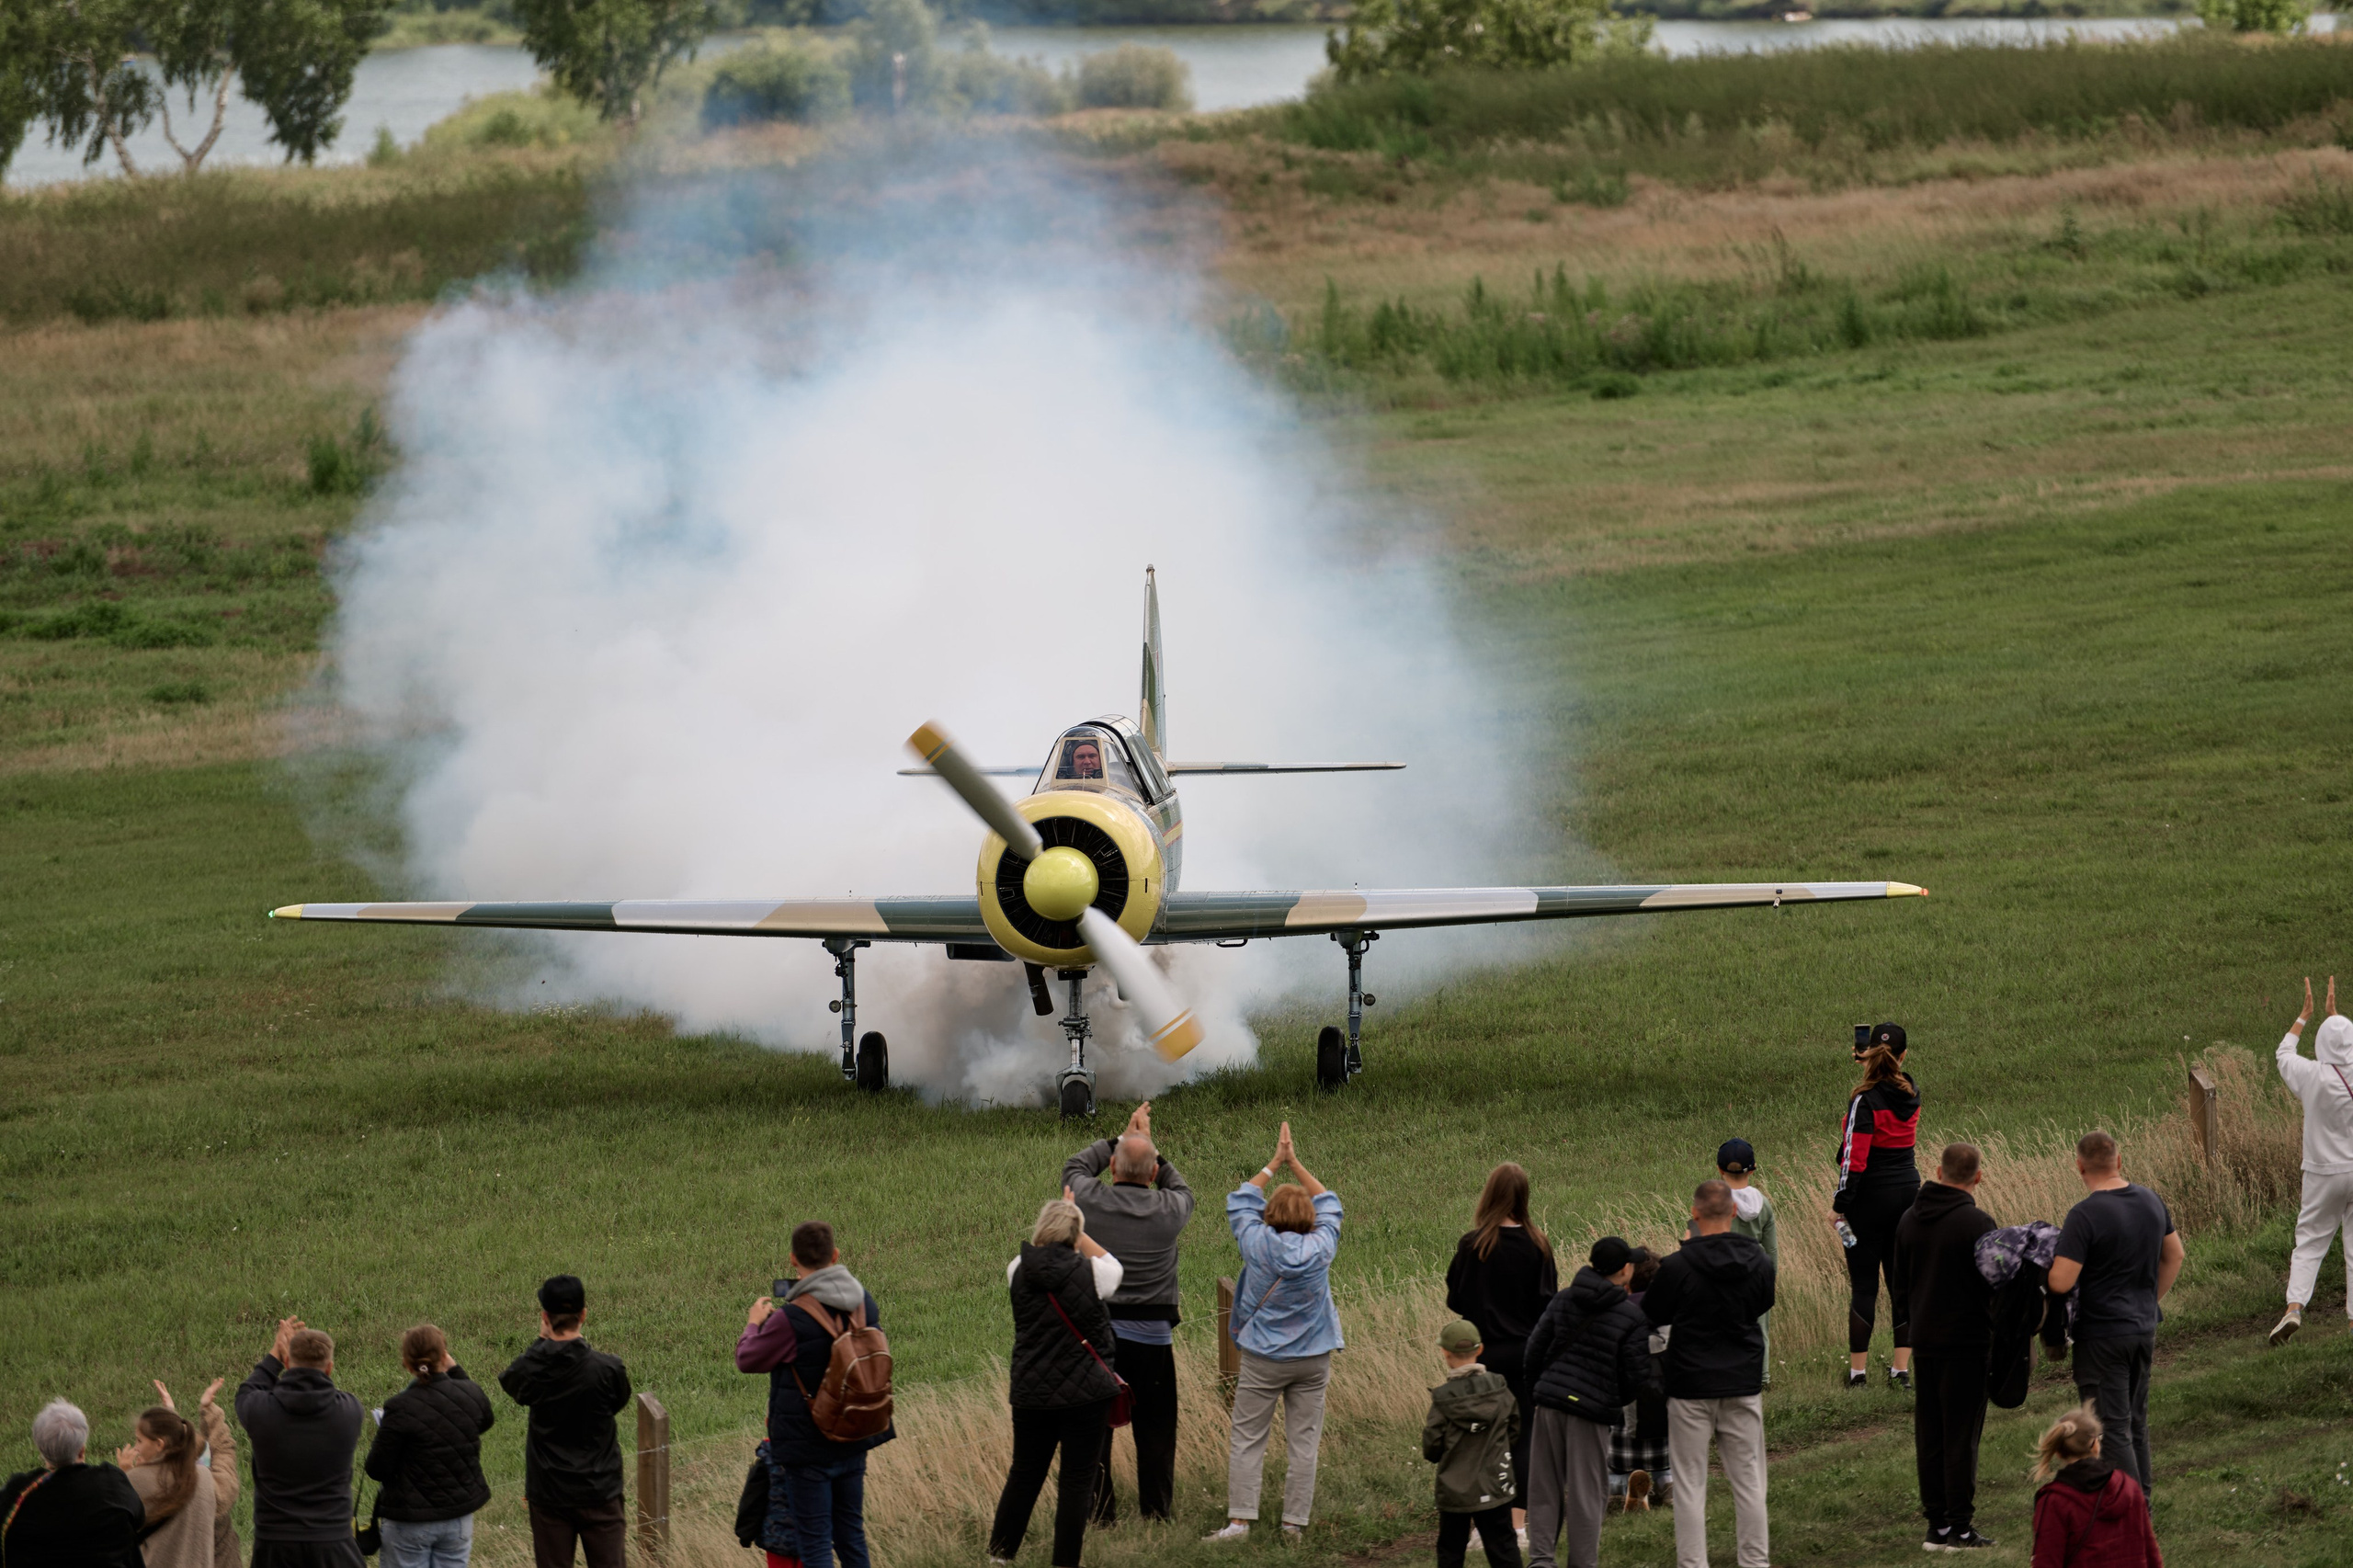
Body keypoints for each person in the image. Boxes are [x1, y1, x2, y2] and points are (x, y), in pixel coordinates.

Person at [1208, 1121, 1343, 1542]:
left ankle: (1240, 1523)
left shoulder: (1256, 1243)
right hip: (1313, 1356)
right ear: (1311, 1219)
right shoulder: (1322, 1246)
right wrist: (1296, 1162)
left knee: (1248, 1438)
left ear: (1268, 1217)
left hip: (1264, 1358)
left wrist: (1275, 1162)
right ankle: (1292, 1526)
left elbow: (1239, 1200)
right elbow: (1330, 1202)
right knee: (1305, 1444)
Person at [1063, 1100, 1195, 1526]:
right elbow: (1181, 1188)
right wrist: (1149, 1146)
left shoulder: (1092, 1202)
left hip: (1098, 1340)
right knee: (1156, 1429)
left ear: (1113, 1170)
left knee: (1095, 1431)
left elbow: (1075, 1168)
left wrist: (1121, 1139)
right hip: (1154, 1341)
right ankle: (1157, 1513)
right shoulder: (1169, 1210)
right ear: (1154, 1174)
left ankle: (1101, 1515)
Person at [737, 1223, 893, 1568]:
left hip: (807, 1448)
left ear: (793, 1260)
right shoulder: (864, 1302)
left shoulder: (791, 1317)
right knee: (851, 1535)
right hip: (854, 1431)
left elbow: (747, 1360)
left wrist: (754, 1324)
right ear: (835, 1256)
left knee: (815, 1544)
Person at [1643, 1180, 1775, 1568]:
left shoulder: (1676, 1266)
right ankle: (1755, 1562)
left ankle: (1693, 1563)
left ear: (1695, 1214)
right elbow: (1761, 1303)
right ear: (1734, 1212)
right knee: (1749, 1481)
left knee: (1689, 1485)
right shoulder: (1760, 1262)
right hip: (1742, 1380)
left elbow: (1654, 1314)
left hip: (1689, 1384)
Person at [987, 1198, 1124, 1567]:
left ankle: (1000, 1557)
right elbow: (1115, 1266)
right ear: (1075, 1236)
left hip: (1031, 1391)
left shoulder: (1016, 1269)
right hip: (1086, 1394)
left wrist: (1064, 1218)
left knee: (1024, 1474)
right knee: (1076, 1482)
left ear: (1041, 1230)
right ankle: (1065, 1563)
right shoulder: (1095, 1274)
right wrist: (1080, 1228)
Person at [2046, 1131, 2182, 1503]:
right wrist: (2145, 1300)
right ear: (2118, 1162)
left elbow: (2060, 1281)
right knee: (2135, 1424)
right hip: (2142, 1327)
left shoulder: (2085, 1214)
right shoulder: (2150, 1200)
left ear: (2080, 1167)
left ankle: (2132, 1511)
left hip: (2102, 1335)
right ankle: (2143, 1504)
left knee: (2109, 1429)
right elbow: (2175, 1255)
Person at [1522, 1237, 1658, 1568]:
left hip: (1550, 1403)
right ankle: (1582, 1563)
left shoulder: (1563, 1299)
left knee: (1544, 1487)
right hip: (1592, 1413)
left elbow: (1534, 1350)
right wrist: (1612, 1400)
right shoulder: (1631, 1317)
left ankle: (1541, 1560)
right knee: (1587, 1492)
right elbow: (1636, 1377)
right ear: (1624, 1270)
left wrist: (1539, 1391)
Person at [1894, 1142, 2000, 1552]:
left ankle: (1936, 1526)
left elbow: (1899, 1287)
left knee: (1931, 1433)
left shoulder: (1908, 1220)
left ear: (1937, 1171)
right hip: (1968, 1343)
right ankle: (1960, 1527)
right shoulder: (1977, 1224)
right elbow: (1996, 1288)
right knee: (1961, 1436)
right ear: (1978, 1177)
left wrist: (1917, 1317)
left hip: (1924, 1341)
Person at [1444, 1162, 1558, 1539]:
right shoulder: (1538, 1244)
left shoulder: (1473, 1244)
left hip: (1485, 1355)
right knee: (1524, 1438)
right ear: (1524, 1197)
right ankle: (1518, 1526)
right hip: (1527, 1353)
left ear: (1489, 1194)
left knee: (1484, 1439)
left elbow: (1456, 1298)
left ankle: (1485, 1526)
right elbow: (1548, 1304)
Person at [500, 1277, 634, 1568]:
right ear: (584, 1314)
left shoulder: (533, 1368)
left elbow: (510, 1382)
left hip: (549, 1494)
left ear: (545, 1318)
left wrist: (541, 1342)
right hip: (601, 1491)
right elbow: (618, 1403)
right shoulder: (608, 1368)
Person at [1834, 1028, 1922, 1389]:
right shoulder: (1911, 1093)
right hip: (1909, 1195)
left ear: (1868, 1055)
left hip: (1869, 1200)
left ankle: (1857, 1376)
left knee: (1865, 1286)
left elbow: (1855, 1161)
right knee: (1901, 1284)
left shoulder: (1864, 1101)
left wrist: (1839, 1207)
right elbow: (1893, 1076)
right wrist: (1873, 1061)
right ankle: (1900, 1371)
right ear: (1903, 1056)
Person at [237, 1319, 365, 1568]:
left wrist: (275, 1353)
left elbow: (249, 1389)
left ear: (286, 1363)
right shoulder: (350, 1411)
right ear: (329, 1368)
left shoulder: (261, 1410)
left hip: (275, 1543)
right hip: (333, 1540)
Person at [366, 1324, 495, 1568]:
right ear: (444, 1355)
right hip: (458, 1516)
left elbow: (376, 1469)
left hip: (409, 1519)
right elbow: (484, 1418)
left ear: (406, 1363)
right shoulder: (469, 1393)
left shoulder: (400, 1406)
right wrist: (455, 1370)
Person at [2269, 976, 2353, 1346]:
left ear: (2321, 1043)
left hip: (2322, 1172)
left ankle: (2294, 1308)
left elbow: (2283, 1054)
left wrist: (2305, 1017)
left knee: (2310, 1242)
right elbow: (2342, 1042)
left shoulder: (2312, 1076)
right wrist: (2337, 1019)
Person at [1422, 1321, 1523, 1568]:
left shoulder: (1443, 1398)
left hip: (1455, 1490)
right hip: (1495, 1483)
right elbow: (1514, 1428)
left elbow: (1432, 1445)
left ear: (1445, 1353)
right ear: (1480, 1350)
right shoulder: (1500, 1387)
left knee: (1450, 1551)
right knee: (1504, 1548)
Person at [0, 1398, 145, 1564]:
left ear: (41, 1450)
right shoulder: (111, 1483)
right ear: (82, 1449)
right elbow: (139, 1519)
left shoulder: (15, 1496)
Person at [2029, 1404, 2163, 1568]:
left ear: (2058, 1451)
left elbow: (2046, 1561)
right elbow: (2151, 1552)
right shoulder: (2129, 1487)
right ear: (2095, 1444)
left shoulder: (2054, 1501)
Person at [153, 1377, 243, 1568]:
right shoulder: (219, 1490)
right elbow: (224, 1447)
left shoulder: (168, 1494)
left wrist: (170, 1417)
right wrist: (209, 1409)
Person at [1607, 1249, 1670, 1512]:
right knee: (1666, 1463)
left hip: (1623, 1444)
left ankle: (1620, 1488)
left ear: (1628, 1282)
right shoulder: (1671, 1318)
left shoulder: (1615, 1317)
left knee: (1613, 1471)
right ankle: (1667, 1482)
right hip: (1665, 1435)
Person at [120, 1403, 215, 1568]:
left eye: (139, 1441)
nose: (136, 1448)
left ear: (159, 1444)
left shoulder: (137, 1479)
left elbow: (116, 1533)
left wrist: (124, 1475)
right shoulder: (205, 1476)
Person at [1715, 1141, 1777, 1387]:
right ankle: (1762, 1377)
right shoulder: (1764, 1204)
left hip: (1722, 1276)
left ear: (1719, 1170)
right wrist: (1770, 1279)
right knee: (1759, 1329)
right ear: (1752, 1170)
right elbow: (1771, 1248)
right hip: (1755, 1275)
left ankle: (1727, 1374)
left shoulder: (1714, 1203)